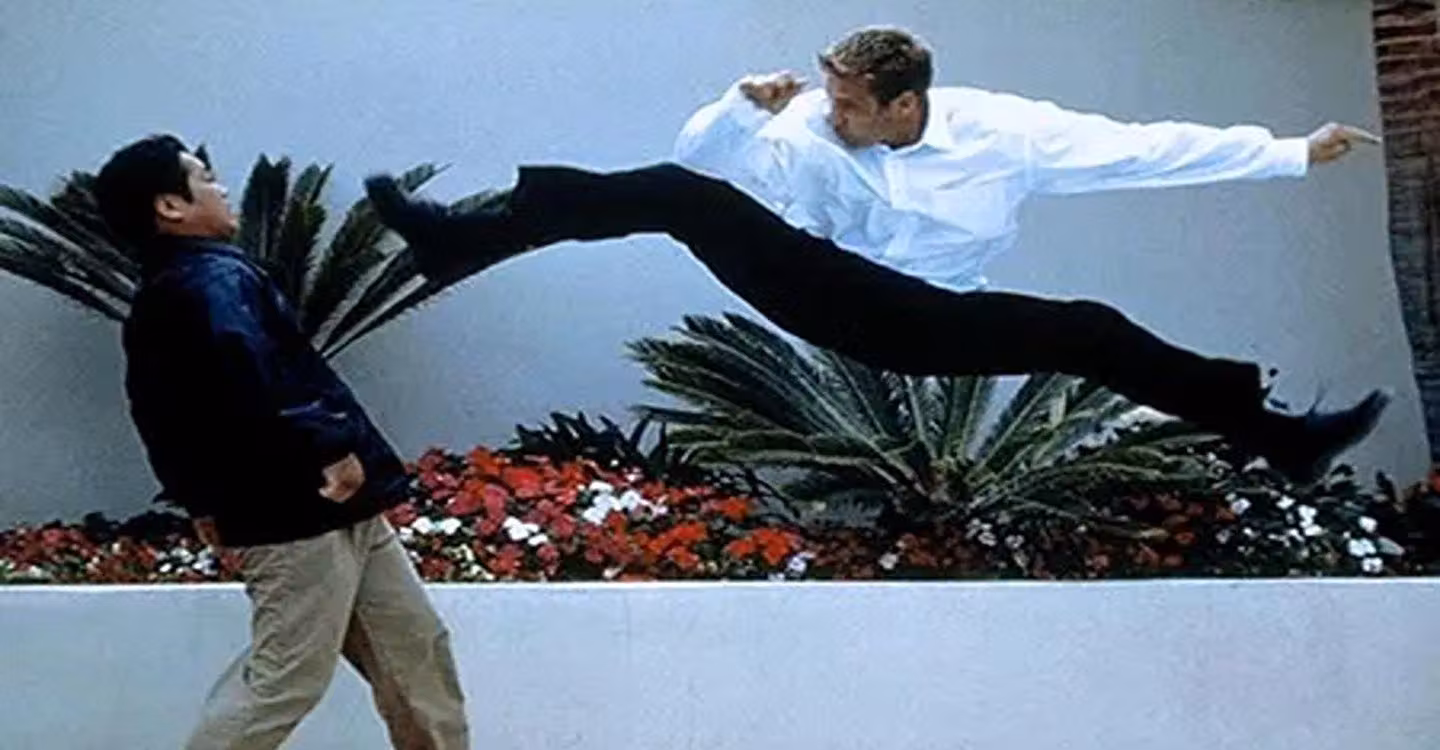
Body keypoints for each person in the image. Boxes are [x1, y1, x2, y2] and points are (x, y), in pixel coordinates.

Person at [363, 25, 1389, 485]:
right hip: (825, 292)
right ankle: (464, 236)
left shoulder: (1005, 132)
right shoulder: (809, 124)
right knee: (682, 194)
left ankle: (1276, 434)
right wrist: (741, 108)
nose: (833, 114)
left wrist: (1291, 152)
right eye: (831, 96)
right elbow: (695, 169)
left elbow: (1141, 150)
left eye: (853, 104)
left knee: (1090, 329)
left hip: (936, 319)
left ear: (907, 103)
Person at [97, 134, 469, 749]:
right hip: (300, 504)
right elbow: (252, 372)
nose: (221, 188)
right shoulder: (208, 283)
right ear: (170, 206)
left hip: (332, 505)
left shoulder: (188, 284)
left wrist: (198, 497)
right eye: (204, 178)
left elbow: (158, 408)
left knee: (415, 655)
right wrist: (328, 446)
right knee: (286, 678)